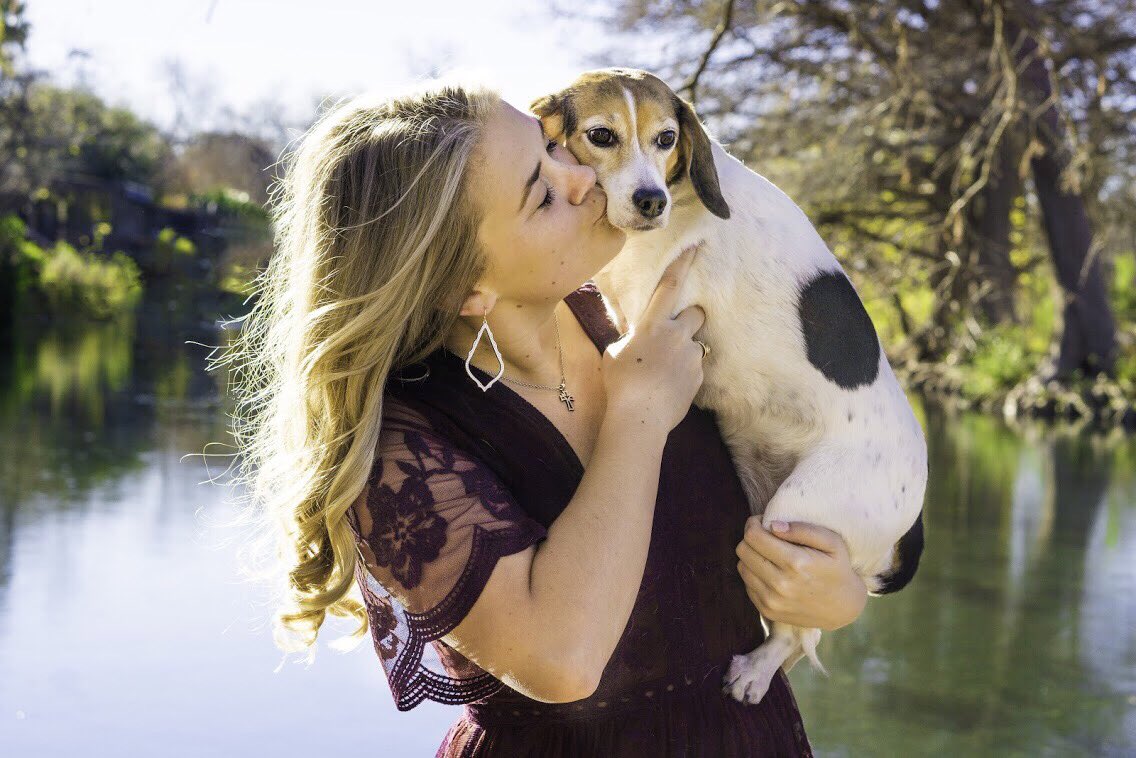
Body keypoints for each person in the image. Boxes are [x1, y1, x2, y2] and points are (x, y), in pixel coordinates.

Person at [226, 76, 880, 757]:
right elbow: (561, 662)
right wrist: (639, 415)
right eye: (541, 192)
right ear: (465, 287)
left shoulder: (646, 313)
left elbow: (818, 459)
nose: (581, 177)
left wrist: (834, 598)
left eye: (552, 147)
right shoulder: (402, 451)